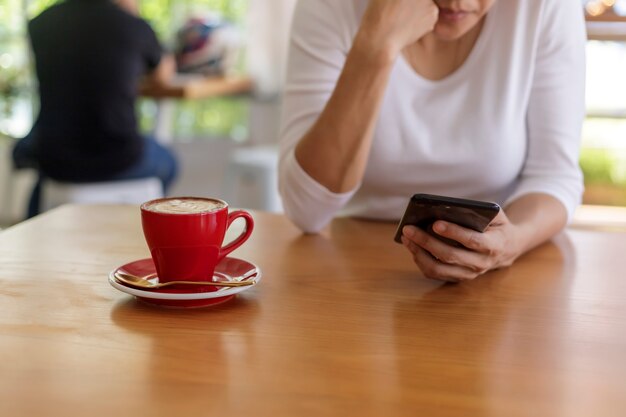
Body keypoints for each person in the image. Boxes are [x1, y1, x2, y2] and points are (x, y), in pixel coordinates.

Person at [278, 0, 586, 282]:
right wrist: (376, 47)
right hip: (352, 270)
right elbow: (307, 210)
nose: (455, 2)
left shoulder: (545, 6)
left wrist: (513, 239)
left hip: (496, 281)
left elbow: (554, 176)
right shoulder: (332, 7)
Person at [12, 0, 178, 217]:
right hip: (116, 157)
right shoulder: (133, 25)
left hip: (55, 157)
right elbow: (163, 75)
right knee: (169, 164)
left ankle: (33, 228)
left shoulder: (41, 23)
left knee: (44, 175)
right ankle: (137, 225)